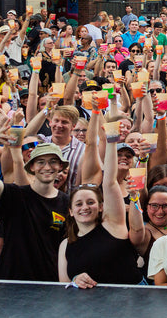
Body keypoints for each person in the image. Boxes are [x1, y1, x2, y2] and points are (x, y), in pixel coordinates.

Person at [0, 119, 71, 281]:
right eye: (41, 162)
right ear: (32, 166)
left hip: (49, 283)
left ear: (60, 167)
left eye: (53, 162)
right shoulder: (14, 194)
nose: (47, 167)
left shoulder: (67, 202)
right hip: (12, 282)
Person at [58, 119, 144, 287]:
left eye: (90, 202)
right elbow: (64, 284)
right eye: (78, 204)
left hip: (132, 297)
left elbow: (109, 181)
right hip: (90, 302)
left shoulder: (113, 225)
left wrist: (112, 141)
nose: (85, 207)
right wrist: (75, 281)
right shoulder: (65, 245)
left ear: (101, 207)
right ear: (71, 211)